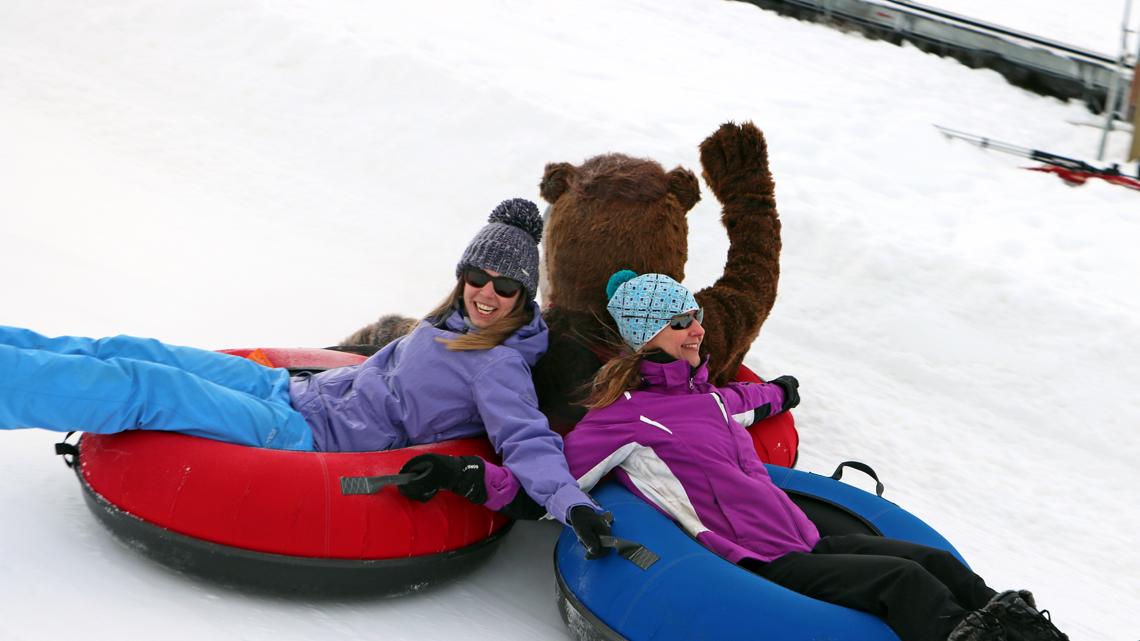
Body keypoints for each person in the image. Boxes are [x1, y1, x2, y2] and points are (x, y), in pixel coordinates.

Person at [410, 270, 1068, 641]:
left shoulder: (706, 395)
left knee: (932, 560)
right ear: (646, 340)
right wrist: (467, 476)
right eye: (681, 322)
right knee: (906, 584)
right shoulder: (620, 418)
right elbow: (549, 476)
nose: (697, 327)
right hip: (764, 561)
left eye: (694, 314)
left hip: (804, 536)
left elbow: (743, 403)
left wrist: (778, 392)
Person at [0, 198, 608, 536]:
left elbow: (524, 437)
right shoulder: (446, 324)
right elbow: (382, 370)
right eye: (477, 276)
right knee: (140, 350)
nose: (486, 293)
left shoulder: (499, 364)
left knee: (142, 386)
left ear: (524, 295)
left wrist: (571, 504)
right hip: (296, 390)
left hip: (306, 434)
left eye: (504, 285)